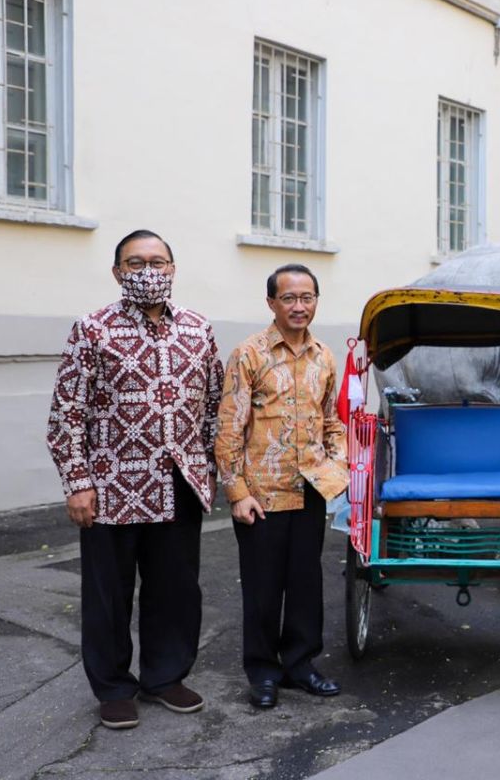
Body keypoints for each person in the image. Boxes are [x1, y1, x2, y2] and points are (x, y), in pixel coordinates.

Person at [46, 229, 223, 730]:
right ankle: (113, 687)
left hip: (178, 485)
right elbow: (66, 412)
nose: (149, 270)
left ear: (173, 268)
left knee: (175, 590)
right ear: (117, 271)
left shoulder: (198, 328)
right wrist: (76, 481)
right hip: (110, 488)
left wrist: (210, 469)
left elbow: (214, 406)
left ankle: (165, 677)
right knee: (109, 595)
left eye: (159, 261)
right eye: (136, 262)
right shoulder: (92, 329)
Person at [215, 263, 349, 709]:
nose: (299, 306)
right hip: (262, 494)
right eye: (289, 298)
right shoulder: (249, 355)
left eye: (307, 297)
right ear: (271, 302)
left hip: (310, 488)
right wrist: (237, 493)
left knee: (306, 583)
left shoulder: (325, 357)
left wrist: (338, 467)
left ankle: (300, 665)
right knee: (263, 588)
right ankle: (263, 671)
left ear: (316, 301)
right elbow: (230, 430)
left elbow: (334, 421)